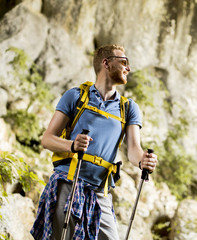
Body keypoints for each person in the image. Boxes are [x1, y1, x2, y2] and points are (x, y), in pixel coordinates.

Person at [30, 44, 158, 240]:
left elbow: (134, 150)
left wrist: (143, 161)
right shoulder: (76, 96)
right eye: (124, 62)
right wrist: (72, 145)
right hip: (67, 183)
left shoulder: (129, 108)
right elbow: (47, 139)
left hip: (100, 192)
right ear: (106, 63)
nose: (128, 68)